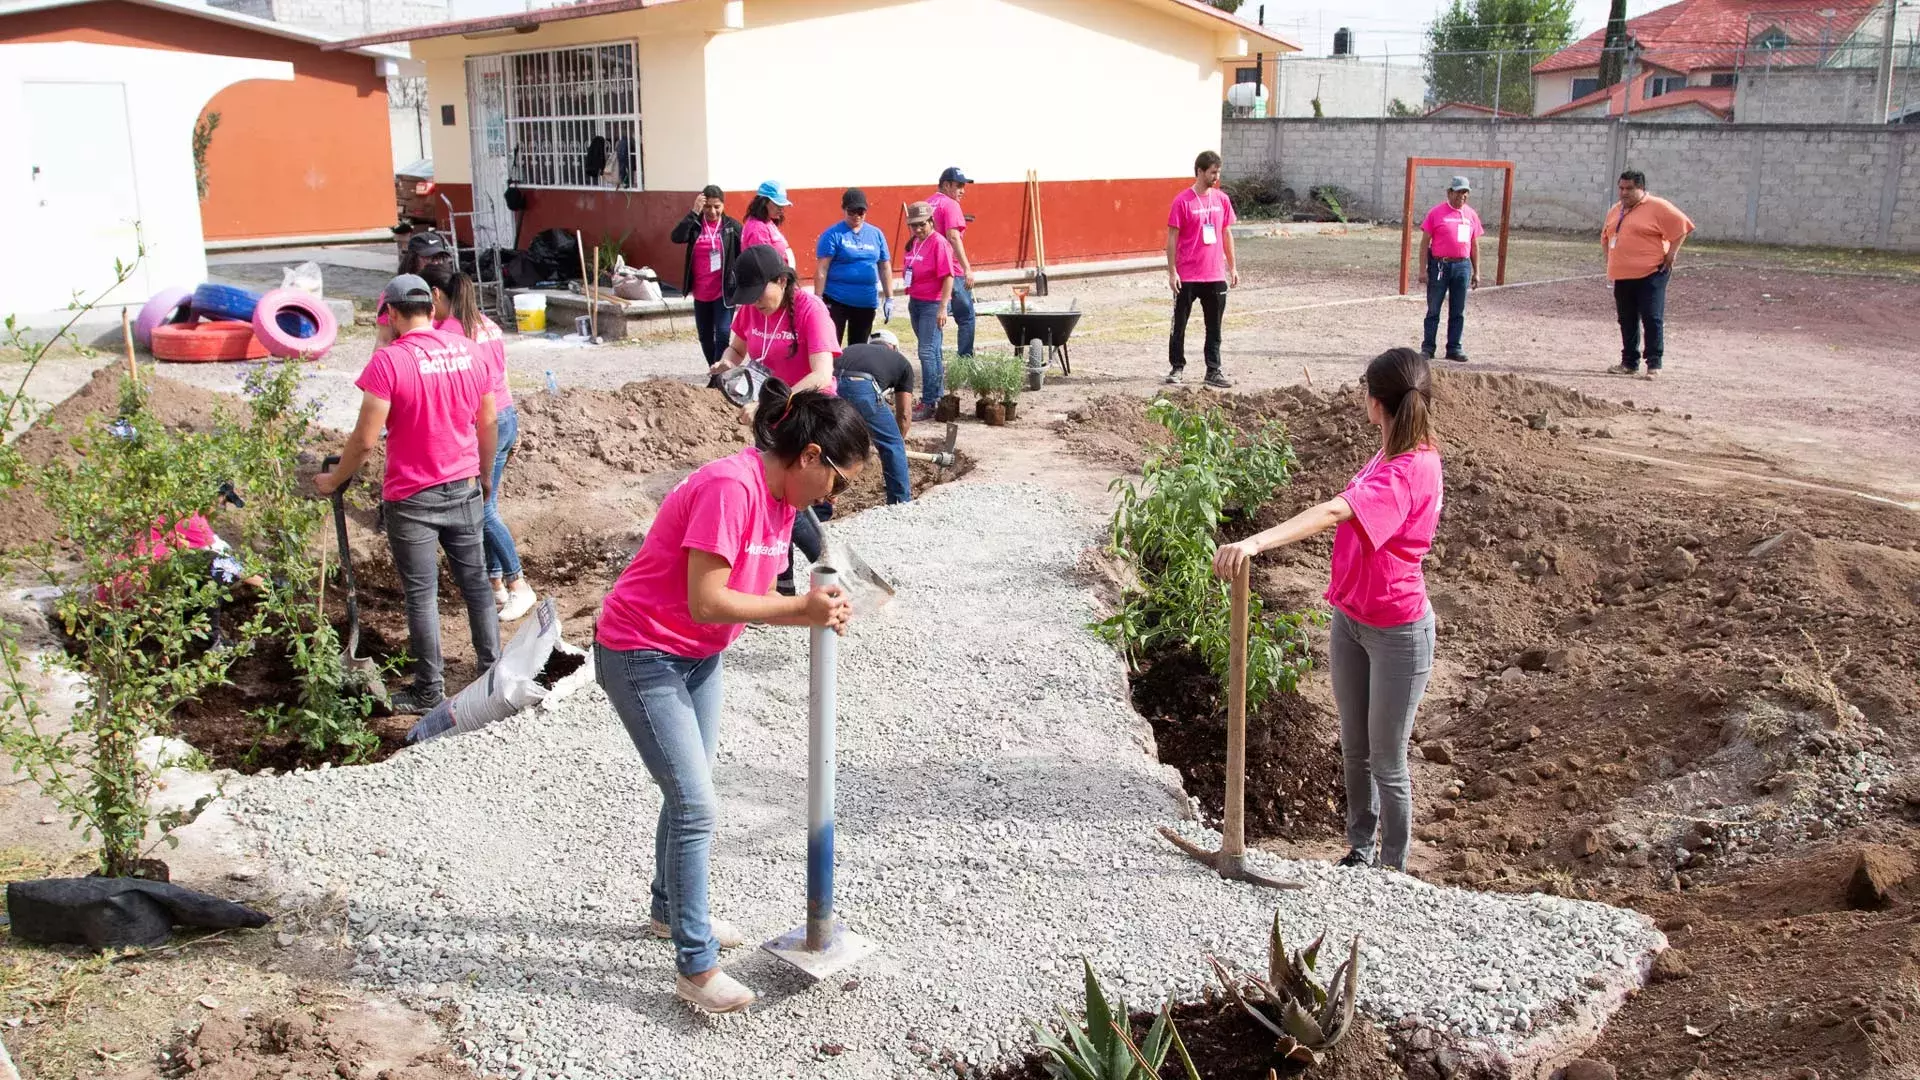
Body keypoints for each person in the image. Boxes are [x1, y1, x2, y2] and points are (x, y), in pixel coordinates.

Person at [593, 376, 869, 1014]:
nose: (836, 495)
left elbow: (755, 591)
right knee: (696, 805)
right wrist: (800, 609)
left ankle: (668, 910)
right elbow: (707, 598)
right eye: (839, 480)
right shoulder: (730, 487)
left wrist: (818, 597)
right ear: (808, 458)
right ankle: (694, 965)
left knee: (687, 790)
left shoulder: (781, 500)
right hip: (643, 651)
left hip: (697, 654)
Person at [1212, 347, 1441, 873]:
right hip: (1352, 619)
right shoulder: (1389, 452)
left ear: (1376, 402)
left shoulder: (1410, 469)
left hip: (1398, 632)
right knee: (1354, 748)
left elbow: (1335, 511)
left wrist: (1254, 543)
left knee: (1388, 760)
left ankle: (1392, 872)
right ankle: (1359, 853)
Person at [316, 274, 500, 715]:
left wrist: (334, 479)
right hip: (463, 487)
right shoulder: (470, 352)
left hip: (413, 497)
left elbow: (364, 440)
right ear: (433, 309)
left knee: (422, 595)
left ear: (393, 315)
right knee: (475, 583)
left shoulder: (389, 362)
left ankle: (428, 691)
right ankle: (492, 671)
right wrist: (486, 475)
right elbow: (487, 421)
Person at [420, 263, 538, 623]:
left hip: (482, 424)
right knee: (484, 505)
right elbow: (500, 377)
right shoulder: (487, 325)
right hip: (504, 417)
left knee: (482, 510)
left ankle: (519, 585)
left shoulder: (450, 334)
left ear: (437, 296)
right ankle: (496, 583)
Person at [709, 244, 839, 423]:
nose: (755, 301)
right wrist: (728, 362)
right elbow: (737, 349)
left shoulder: (812, 310)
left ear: (782, 281)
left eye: (759, 293)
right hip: (770, 408)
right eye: (750, 295)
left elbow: (822, 375)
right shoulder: (751, 308)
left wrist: (772, 404)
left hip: (809, 409)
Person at [1601, 169, 1694, 378]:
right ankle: (1629, 362)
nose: (1624, 193)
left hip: (1651, 272)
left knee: (1651, 317)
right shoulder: (1616, 210)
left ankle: (1654, 363)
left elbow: (1682, 226)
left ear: (1641, 189)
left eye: (1629, 189)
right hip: (1623, 274)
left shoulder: (1657, 207)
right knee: (1626, 318)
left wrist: (1672, 253)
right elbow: (1606, 236)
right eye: (1621, 188)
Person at [1165, 150, 1240, 389]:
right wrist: (1172, 271)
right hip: (1187, 275)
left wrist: (1233, 267)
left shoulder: (1222, 200)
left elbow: (1226, 233)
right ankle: (1177, 367)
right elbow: (1172, 238)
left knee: (1214, 326)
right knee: (1180, 324)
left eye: (1218, 172)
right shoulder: (1182, 201)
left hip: (1215, 275)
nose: (1216, 177)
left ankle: (1213, 370)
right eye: (1212, 172)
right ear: (1200, 171)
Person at [836, 329, 915, 506]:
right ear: (894, 347)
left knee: (830, 444)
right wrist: (894, 442)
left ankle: (821, 509)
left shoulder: (852, 349)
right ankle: (900, 502)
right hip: (860, 386)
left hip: (830, 385)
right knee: (892, 443)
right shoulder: (902, 362)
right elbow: (904, 415)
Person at [670, 186, 743, 367]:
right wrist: (693, 212)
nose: (712, 211)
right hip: (701, 292)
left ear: (723, 205)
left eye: (716, 206)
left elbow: (744, 254)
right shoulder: (695, 225)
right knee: (705, 336)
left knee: (723, 334)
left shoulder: (731, 227)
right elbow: (676, 237)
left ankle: (718, 376)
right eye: (707, 207)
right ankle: (714, 369)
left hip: (724, 291)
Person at [814, 188, 894, 347]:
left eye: (861, 211)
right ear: (844, 209)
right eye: (852, 211)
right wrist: (818, 299)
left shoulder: (876, 234)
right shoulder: (833, 234)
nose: (857, 216)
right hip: (836, 299)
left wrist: (889, 297)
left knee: (859, 348)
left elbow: (884, 267)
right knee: (831, 344)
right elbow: (822, 268)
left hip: (865, 301)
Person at [1418, 176, 1483, 364]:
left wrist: (1476, 271)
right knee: (1434, 308)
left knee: (1458, 309)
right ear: (1449, 192)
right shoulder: (1436, 213)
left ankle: (1454, 348)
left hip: (1462, 266)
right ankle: (1428, 348)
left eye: (1465, 192)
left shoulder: (1470, 215)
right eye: (1458, 192)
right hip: (1440, 265)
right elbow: (1424, 244)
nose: (1462, 196)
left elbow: (1474, 244)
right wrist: (1423, 270)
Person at [901, 201, 956, 421]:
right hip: (916, 301)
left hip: (932, 304)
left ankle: (928, 401)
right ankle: (938, 396)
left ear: (931, 221)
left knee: (925, 351)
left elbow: (948, 276)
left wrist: (943, 308)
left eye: (922, 224)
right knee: (932, 351)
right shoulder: (914, 243)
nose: (918, 229)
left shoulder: (939, 243)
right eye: (913, 226)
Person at [926, 167, 975, 365]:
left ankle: (935, 362)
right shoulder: (951, 204)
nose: (963, 190)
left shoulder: (928, 203)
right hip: (952, 270)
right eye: (959, 186)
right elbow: (953, 236)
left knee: (935, 317)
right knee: (966, 317)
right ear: (946, 185)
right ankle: (964, 363)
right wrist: (967, 268)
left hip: (931, 271)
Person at [377, 232, 456, 346]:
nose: (436, 263)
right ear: (412, 259)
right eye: (428, 257)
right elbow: (384, 339)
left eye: (439, 257)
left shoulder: (450, 289)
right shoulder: (396, 292)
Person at [741, 180, 794, 269]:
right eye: (777, 204)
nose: (781, 209)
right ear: (764, 203)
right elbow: (764, 264)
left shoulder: (768, 222)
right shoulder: (757, 229)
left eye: (782, 205)